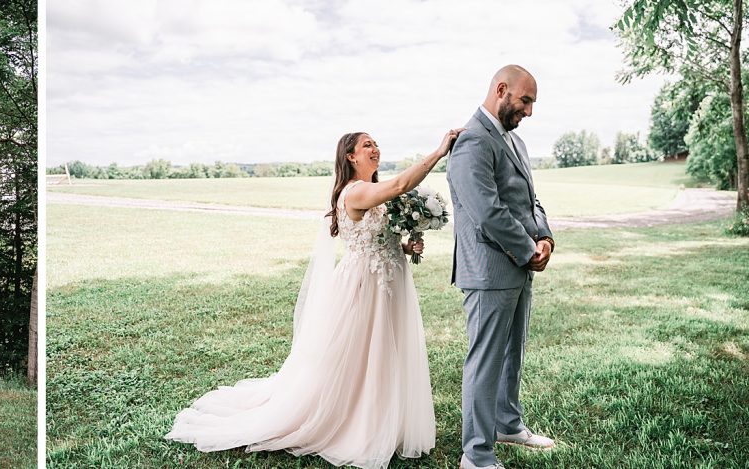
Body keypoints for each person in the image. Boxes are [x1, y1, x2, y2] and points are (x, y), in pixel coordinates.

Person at [166, 128, 462, 469]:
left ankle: (385, 419)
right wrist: (439, 151)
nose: (375, 149)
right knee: (359, 356)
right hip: (364, 286)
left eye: (376, 144)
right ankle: (355, 423)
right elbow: (397, 187)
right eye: (367, 145)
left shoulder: (372, 191)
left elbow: (381, 235)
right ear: (350, 156)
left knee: (385, 352)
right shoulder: (355, 192)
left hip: (390, 281)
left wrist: (406, 245)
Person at [446, 65, 556, 469]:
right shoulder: (474, 141)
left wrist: (544, 238)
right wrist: (528, 249)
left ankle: (508, 424)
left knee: (513, 353)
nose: (529, 111)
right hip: (489, 271)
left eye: (532, 103)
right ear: (501, 89)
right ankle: (476, 454)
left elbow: (531, 200)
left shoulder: (516, 143)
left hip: (521, 265)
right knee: (486, 359)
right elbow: (487, 213)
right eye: (525, 101)